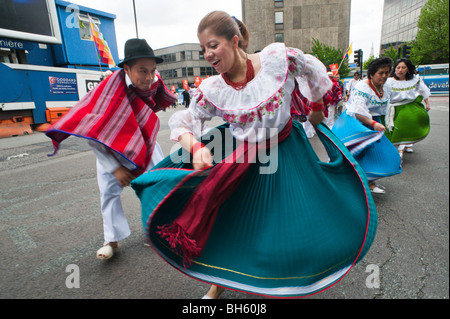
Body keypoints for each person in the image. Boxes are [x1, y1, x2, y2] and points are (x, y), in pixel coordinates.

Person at [131, 11, 378, 299]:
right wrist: (196, 148)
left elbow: (314, 71)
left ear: (235, 40)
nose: (208, 54)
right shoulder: (212, 89)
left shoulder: (277, 59)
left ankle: (290, 278)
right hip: (243, 161)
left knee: (289, 220)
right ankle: (219, 283)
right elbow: (183, 122)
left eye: (213, 45)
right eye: (203, 49)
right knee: (232, 220)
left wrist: (316, 107)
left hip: (287, 152)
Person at [46, 38, 177, 260]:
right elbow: (92, 134)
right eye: (142, 71)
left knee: (156, 185)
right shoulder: (107, 91)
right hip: (110, 150)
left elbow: (157, 101)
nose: (148, 77)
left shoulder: (154, 83)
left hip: (144, 145)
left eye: (152, 70)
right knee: (108, 194)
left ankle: (155, 230)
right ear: (126, 68)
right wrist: (114, 168)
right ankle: (111, 241)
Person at [332, 56, 402, 194]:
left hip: (374, 122)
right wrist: (373, 124)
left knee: (380, 154)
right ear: (371, 74)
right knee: (355, 154)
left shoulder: (387, 86)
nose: (384, 76)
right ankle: (355, 183)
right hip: (355, 124)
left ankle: (367, 181)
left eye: (387, 72)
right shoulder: (362, 87)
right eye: (380, 73)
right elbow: (358, 112)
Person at [384, 58, 431, 162]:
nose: (400, 70)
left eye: (403, 67)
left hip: (408, 108)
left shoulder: (414, 80)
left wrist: (427, 103)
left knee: (402, 127)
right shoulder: (389, 81)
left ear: (408, 69)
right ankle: (397, 149)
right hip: (393, 108)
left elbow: (423, 91)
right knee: (393, 131)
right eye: (398, 67)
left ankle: (400, 151)